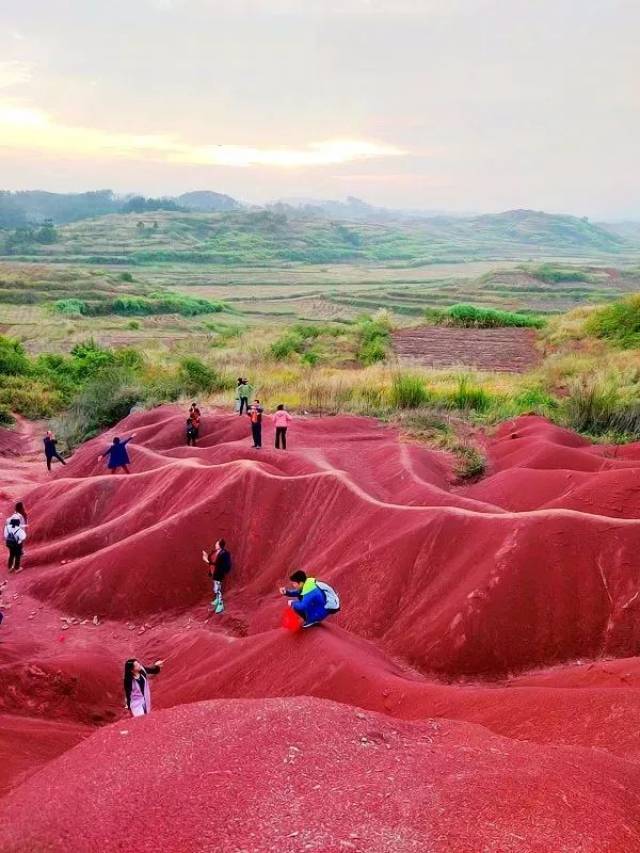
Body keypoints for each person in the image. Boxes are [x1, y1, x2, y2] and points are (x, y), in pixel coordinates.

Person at [202, 538, 232, 614]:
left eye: (216, 544)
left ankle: (220, 604)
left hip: (219, 572)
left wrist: (206, 560)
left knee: (217, 588)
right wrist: (207, 556)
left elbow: (217, 564)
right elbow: (212, 559)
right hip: (215, 572)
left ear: (219, 545)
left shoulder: (223, 553)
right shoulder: (216, 552)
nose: (215, 545)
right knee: (216, 586)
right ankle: (217, 600)